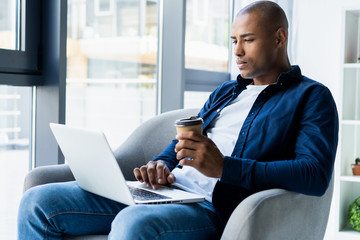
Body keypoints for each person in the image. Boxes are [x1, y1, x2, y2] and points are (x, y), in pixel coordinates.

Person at [18, 1, 338, 239]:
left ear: (279, 38)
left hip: (213, 208)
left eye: (249, 39)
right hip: (166, 192)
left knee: (133, 225)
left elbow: (313, 174)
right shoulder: (226, 92)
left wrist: (225, 168)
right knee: (37, 201)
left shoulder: (311, 97)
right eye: (234, 41)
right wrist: (161, 164)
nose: (237, 51)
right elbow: (183, 143)